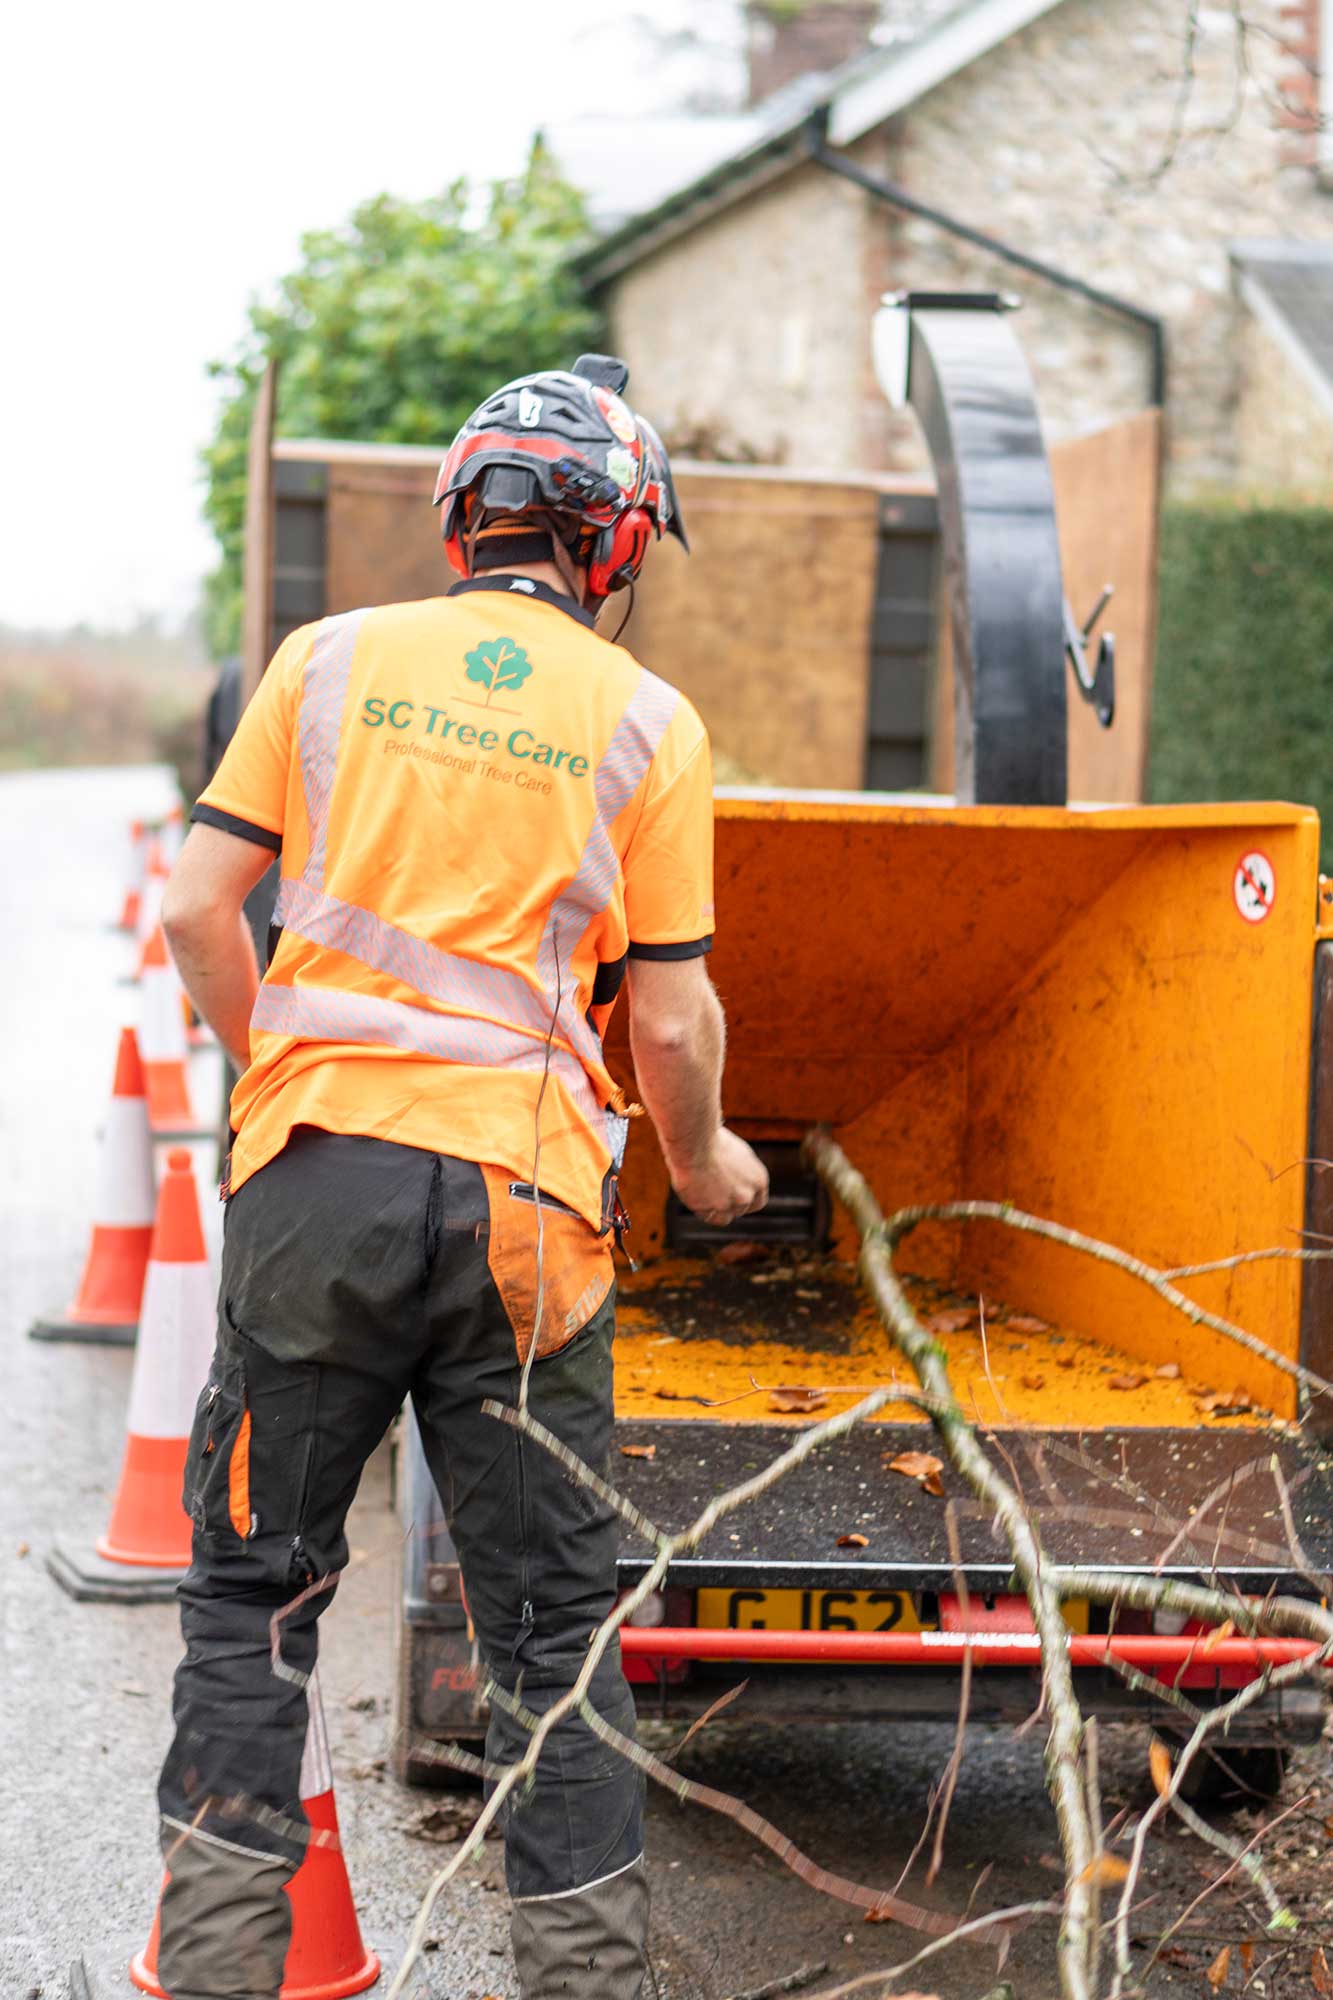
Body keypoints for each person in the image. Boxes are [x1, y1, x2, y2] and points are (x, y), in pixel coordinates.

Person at [156, 353, 769, 2000]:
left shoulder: (328, 660)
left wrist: (274, 1067)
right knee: (554, 1641)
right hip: (522, 1223)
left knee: (253, 1598)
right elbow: (671, 1011)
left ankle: (212, 1972)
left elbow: (199, 910)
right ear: (616, 546)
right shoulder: (649, 722)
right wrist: (707, 1164)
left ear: (460, 516)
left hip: (315, 1184)